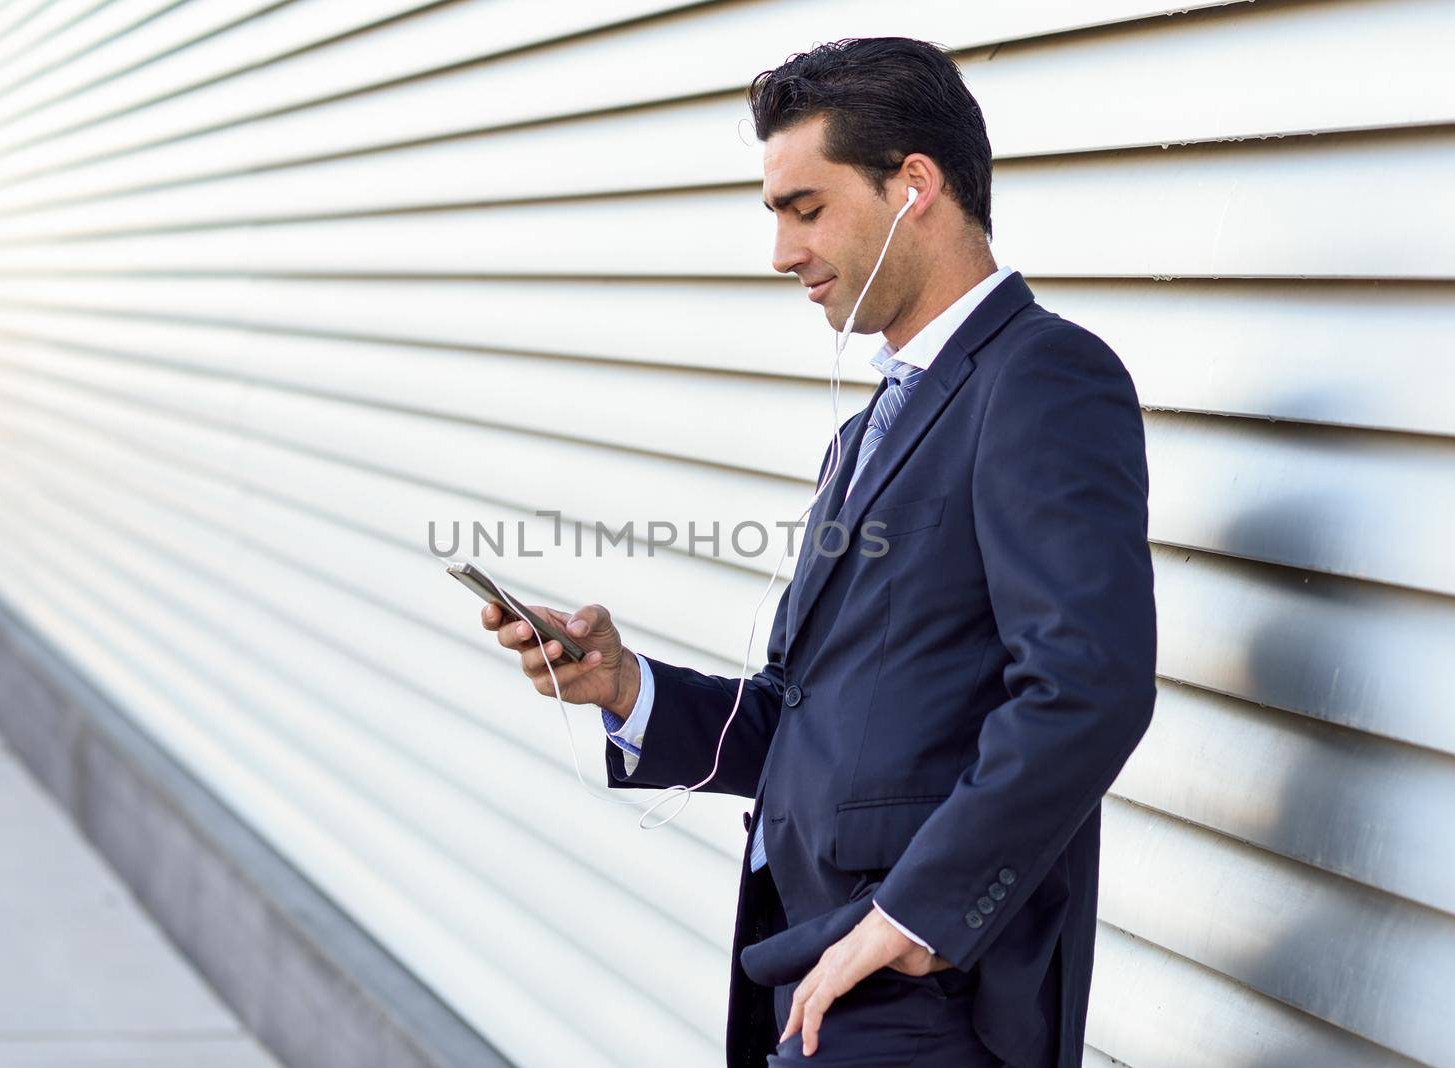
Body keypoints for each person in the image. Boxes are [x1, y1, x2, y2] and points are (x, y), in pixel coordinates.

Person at [480, 36, 1156, 1068]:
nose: (784, 252)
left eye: (807, 209)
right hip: (815, 969)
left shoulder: (1044, 378)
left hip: (936, 995)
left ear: (914, 186)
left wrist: (914, 923)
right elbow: (807, 717)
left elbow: (1087, 688)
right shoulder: (869, 428)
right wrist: (623, 689)